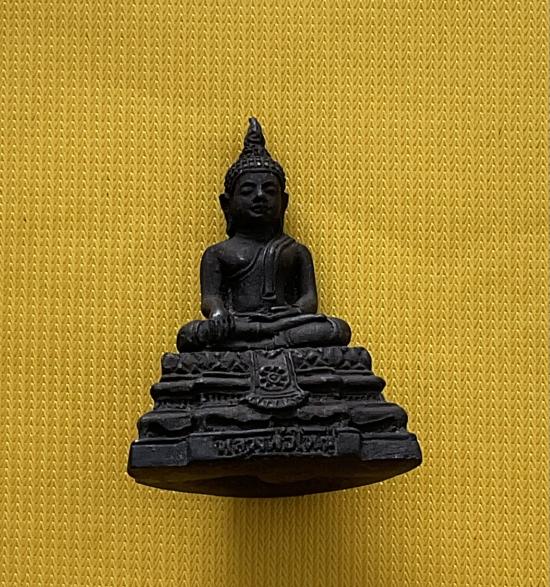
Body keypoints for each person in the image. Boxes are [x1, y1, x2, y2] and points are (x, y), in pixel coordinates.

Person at [177, 118, 351, 351]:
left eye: (269, 191)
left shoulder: (295, 251)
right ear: (227, 204)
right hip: (240, 324)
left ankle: (259, 344)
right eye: (248, 191)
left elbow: (309, 300)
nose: (259, 196)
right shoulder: (218, 253)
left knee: (337, 329)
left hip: (285, 322)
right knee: (188, 335)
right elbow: (210, 298)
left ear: (283, 202)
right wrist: (218, 312)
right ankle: (272, 343)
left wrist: (293, 313)